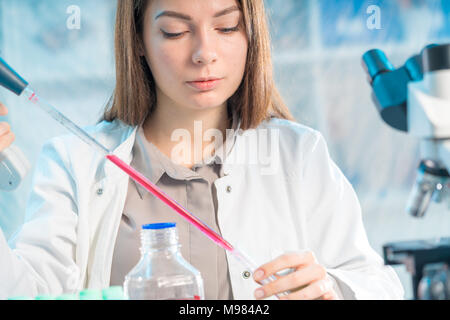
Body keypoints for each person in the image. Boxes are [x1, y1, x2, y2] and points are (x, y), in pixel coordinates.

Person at [0, 0, 404, 300]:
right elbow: (24, 293)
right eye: (175, 32)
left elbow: (381, 284)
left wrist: (331, 288)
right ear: (138, 40)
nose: (204, 53)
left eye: (227, 27)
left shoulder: (297, 154)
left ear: (251, 35)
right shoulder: (76, 162)